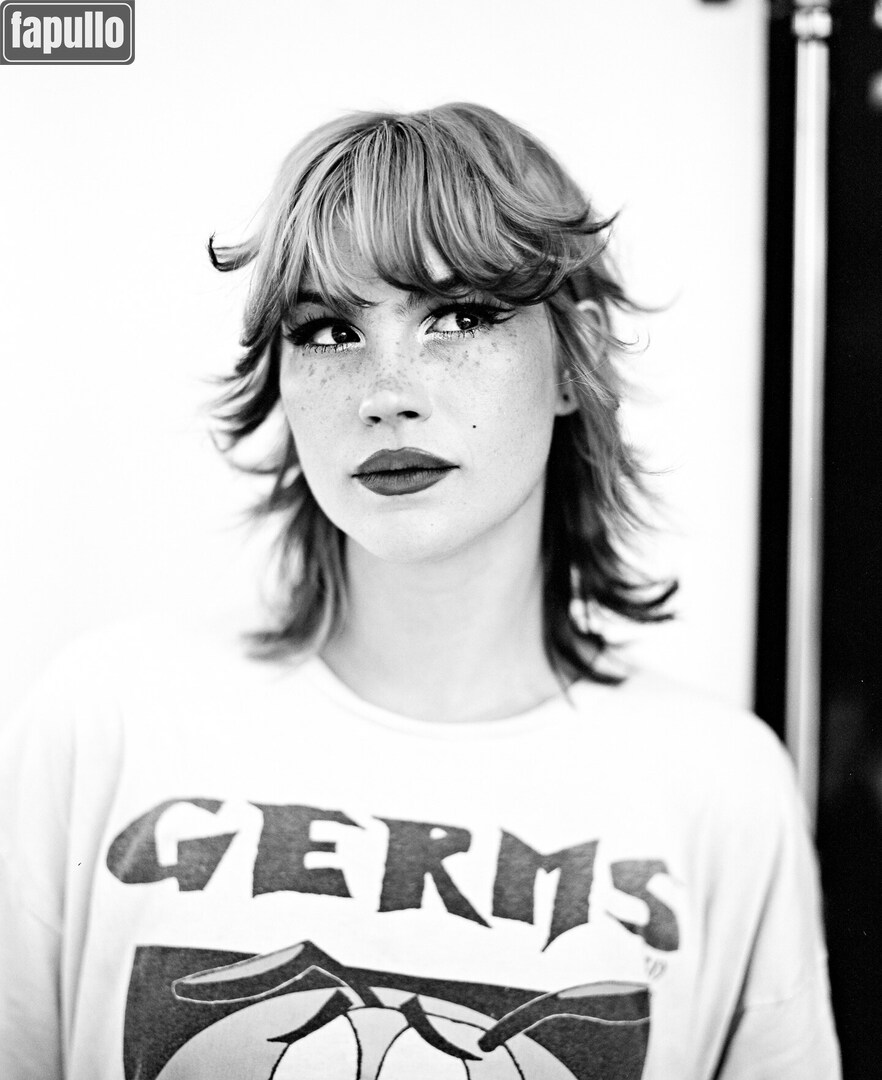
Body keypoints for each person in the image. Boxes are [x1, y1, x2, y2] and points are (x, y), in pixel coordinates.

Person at [0, 103, 839, 1079]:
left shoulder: (719, 788)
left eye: (461, 317)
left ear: (572, 363)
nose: (386, 392)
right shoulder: (111, 717)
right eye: (328, 330)